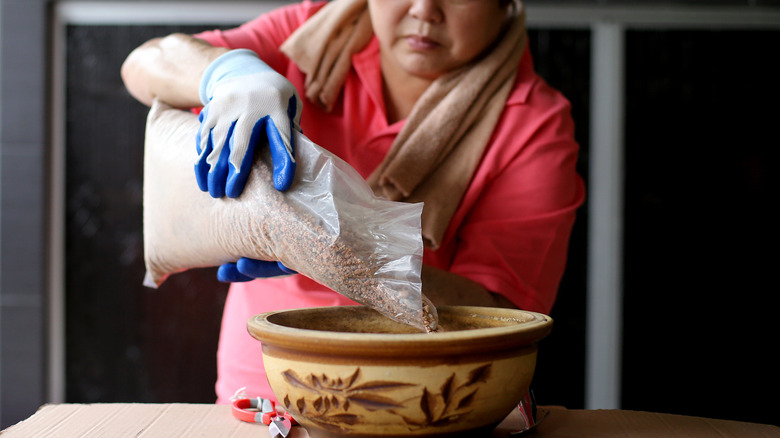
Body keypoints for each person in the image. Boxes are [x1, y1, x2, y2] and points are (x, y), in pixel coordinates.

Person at [121, 0, 584, 404]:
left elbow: (504, 313)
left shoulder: (533, 126)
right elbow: (146, 62)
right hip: (261, 386)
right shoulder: (313, 33)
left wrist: (354, 250)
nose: (424, 9)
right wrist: (231, 75)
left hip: (421, 398)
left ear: (505, 3)